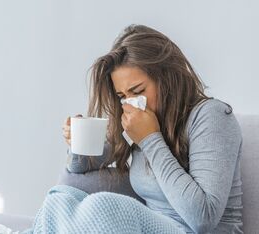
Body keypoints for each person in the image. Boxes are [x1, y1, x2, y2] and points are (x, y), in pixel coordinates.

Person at [57, 24, 243, 233]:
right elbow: (81, 168)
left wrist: (150, 139)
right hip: (150, 228)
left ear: (167, 79)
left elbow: (203, 218)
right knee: (61, 198)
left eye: (137, 91)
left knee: (100, 206)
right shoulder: (140, 122)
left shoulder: (211, 116)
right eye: (122, 96)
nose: (130, 104)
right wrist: (76, 142)